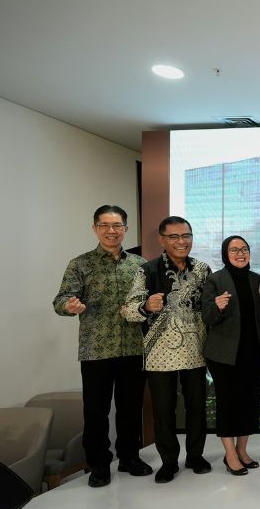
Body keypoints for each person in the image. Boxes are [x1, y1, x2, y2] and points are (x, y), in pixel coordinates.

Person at [53, 205, 150, 488]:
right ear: (95, 228)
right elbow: (61, 299)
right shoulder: (80, 264)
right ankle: (98, 464)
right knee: (96, 411)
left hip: (133, 347)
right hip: (96, 349)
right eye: (105, 225)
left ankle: (129, 457)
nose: (111, 231)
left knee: (130, 408)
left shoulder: (140, 265)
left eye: (117, 225)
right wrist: (70, 306)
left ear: (126, 229)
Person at [123, 216, 212, 484]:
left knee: (197, 408)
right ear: (162, 240)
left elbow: (209, 308)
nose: (181, 241)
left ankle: (195, 456)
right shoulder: (147, 270)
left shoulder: (202, 270)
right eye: (174, 237)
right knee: (164, 411)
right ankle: (169, 461)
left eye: (186, 235)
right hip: (159, 354)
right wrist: (145, 306)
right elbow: (128, 310)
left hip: (196, 351)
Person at [201, 236, 260, 476]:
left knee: (250, 403)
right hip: (224, 356)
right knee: (228, 403)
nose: (240, 253)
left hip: (254, 353)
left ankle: (242, 450)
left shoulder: (257, 280)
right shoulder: (215, 280)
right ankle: (230, 454)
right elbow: (207, 317)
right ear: (225, 253)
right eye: (234, 250)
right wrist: (217, 307)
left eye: (244, 249)